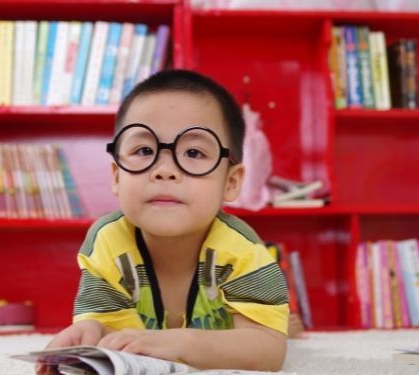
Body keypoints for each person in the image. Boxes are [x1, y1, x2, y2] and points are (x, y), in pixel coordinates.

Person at [38, 69, 289, 373]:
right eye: (144, 150)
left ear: (231, 182)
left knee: (282, 326)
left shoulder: (243, 250)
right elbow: (114, 334)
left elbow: (269, 350)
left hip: (228, 333)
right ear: (117, 176)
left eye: (194, 152)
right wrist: (91, 333)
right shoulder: (108, 242)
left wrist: (178, 343)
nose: (165, 170)